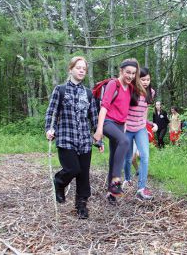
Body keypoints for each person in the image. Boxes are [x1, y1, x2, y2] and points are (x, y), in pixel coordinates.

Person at [45, 56, 103, 219]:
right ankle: (59, 182)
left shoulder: (89, 93)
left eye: (84, 69)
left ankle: (81, 205)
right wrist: (50, 129)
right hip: (66, 138)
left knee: (83, 174)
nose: (81, 71)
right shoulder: (60, 90)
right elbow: (52, 112)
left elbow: (93, 117)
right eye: (78, 68)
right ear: (70, 69)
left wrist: (98, 139)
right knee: (73, 169)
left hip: (84, 140)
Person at [93, 58, 146, 204]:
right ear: (121, 71)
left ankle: (111, 193)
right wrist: (98, 130)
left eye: (133, 73)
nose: (130, 76)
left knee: (113, 159)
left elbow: (126, 109)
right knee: (124, 141)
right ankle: (116, 180)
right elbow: (104, 107)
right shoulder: (113, 84)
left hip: (120, 125)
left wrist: (126, 126)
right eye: (127, 72)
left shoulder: (130, 88)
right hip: (108, 123)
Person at [123, 67, 157, 200]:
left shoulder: (151, 92)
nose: (146, 82)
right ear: (137, 79)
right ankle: (127, 178)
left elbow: (145, 109)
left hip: (140, 128)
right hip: (127, 128)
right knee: (128, 158)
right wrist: (123, 124)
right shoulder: (130, 90)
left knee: (145, 157)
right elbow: (123, 108)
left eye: (148, 79)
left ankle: (141, 188)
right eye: (143, 79)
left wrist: (145, 123)